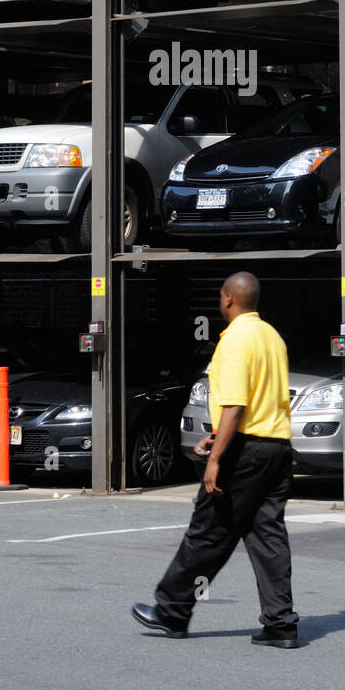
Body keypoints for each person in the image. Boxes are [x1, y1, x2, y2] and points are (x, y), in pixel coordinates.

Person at [132, 271, 299, 648]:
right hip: (277, 449)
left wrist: (215, 459)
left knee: (208, 531)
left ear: (227, 299)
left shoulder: (235, 340)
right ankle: (281, 623)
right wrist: (220, 438)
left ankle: (171, 610)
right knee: (267, 535)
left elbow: (236, 404)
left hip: (246, 452)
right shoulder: (271, 336)